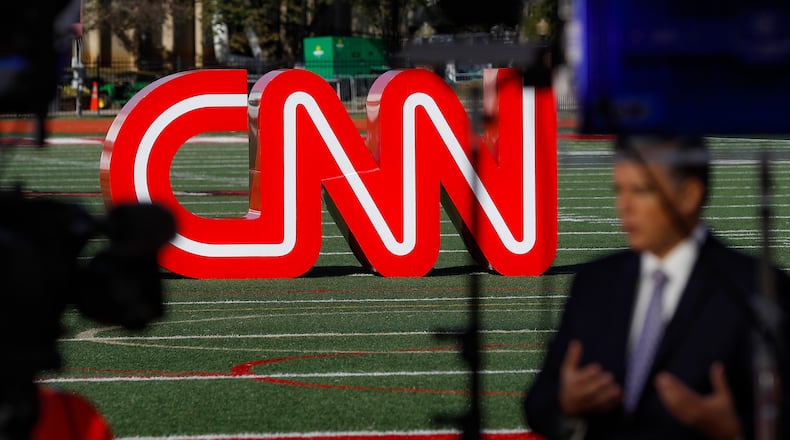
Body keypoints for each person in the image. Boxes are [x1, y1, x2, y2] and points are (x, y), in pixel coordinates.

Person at [524, 135, 789, 439]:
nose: (624, 206)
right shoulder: (594, 283)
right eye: (619, 190)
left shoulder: (755, 288)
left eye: (641, 191)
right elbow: (538, 404)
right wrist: (565, 404)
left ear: (689, 195)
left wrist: (735, 430)